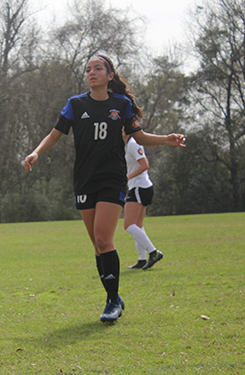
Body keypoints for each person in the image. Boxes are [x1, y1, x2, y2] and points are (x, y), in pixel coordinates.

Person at [24, 55, 185, 322]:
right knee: (98, 246)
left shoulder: (121, 104)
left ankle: (112, 301)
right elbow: (55, 134)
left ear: (110, 75)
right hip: (84, 180)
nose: (91, 72)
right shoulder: (75, 105)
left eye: (98, 68)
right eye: (87, 69)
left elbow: (139, 136)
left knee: (103, 238)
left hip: (112, 178)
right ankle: (114, 295)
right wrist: (36, 152)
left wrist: (166, 140)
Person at [123, 133, 162, 270]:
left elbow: (145, 164)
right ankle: (141, 259)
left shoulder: (133, 143)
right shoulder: (127, 145)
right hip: (139, 187)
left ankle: (153, 252)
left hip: (140, 187)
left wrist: (127, 177)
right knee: (137, 225)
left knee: (128, 225)